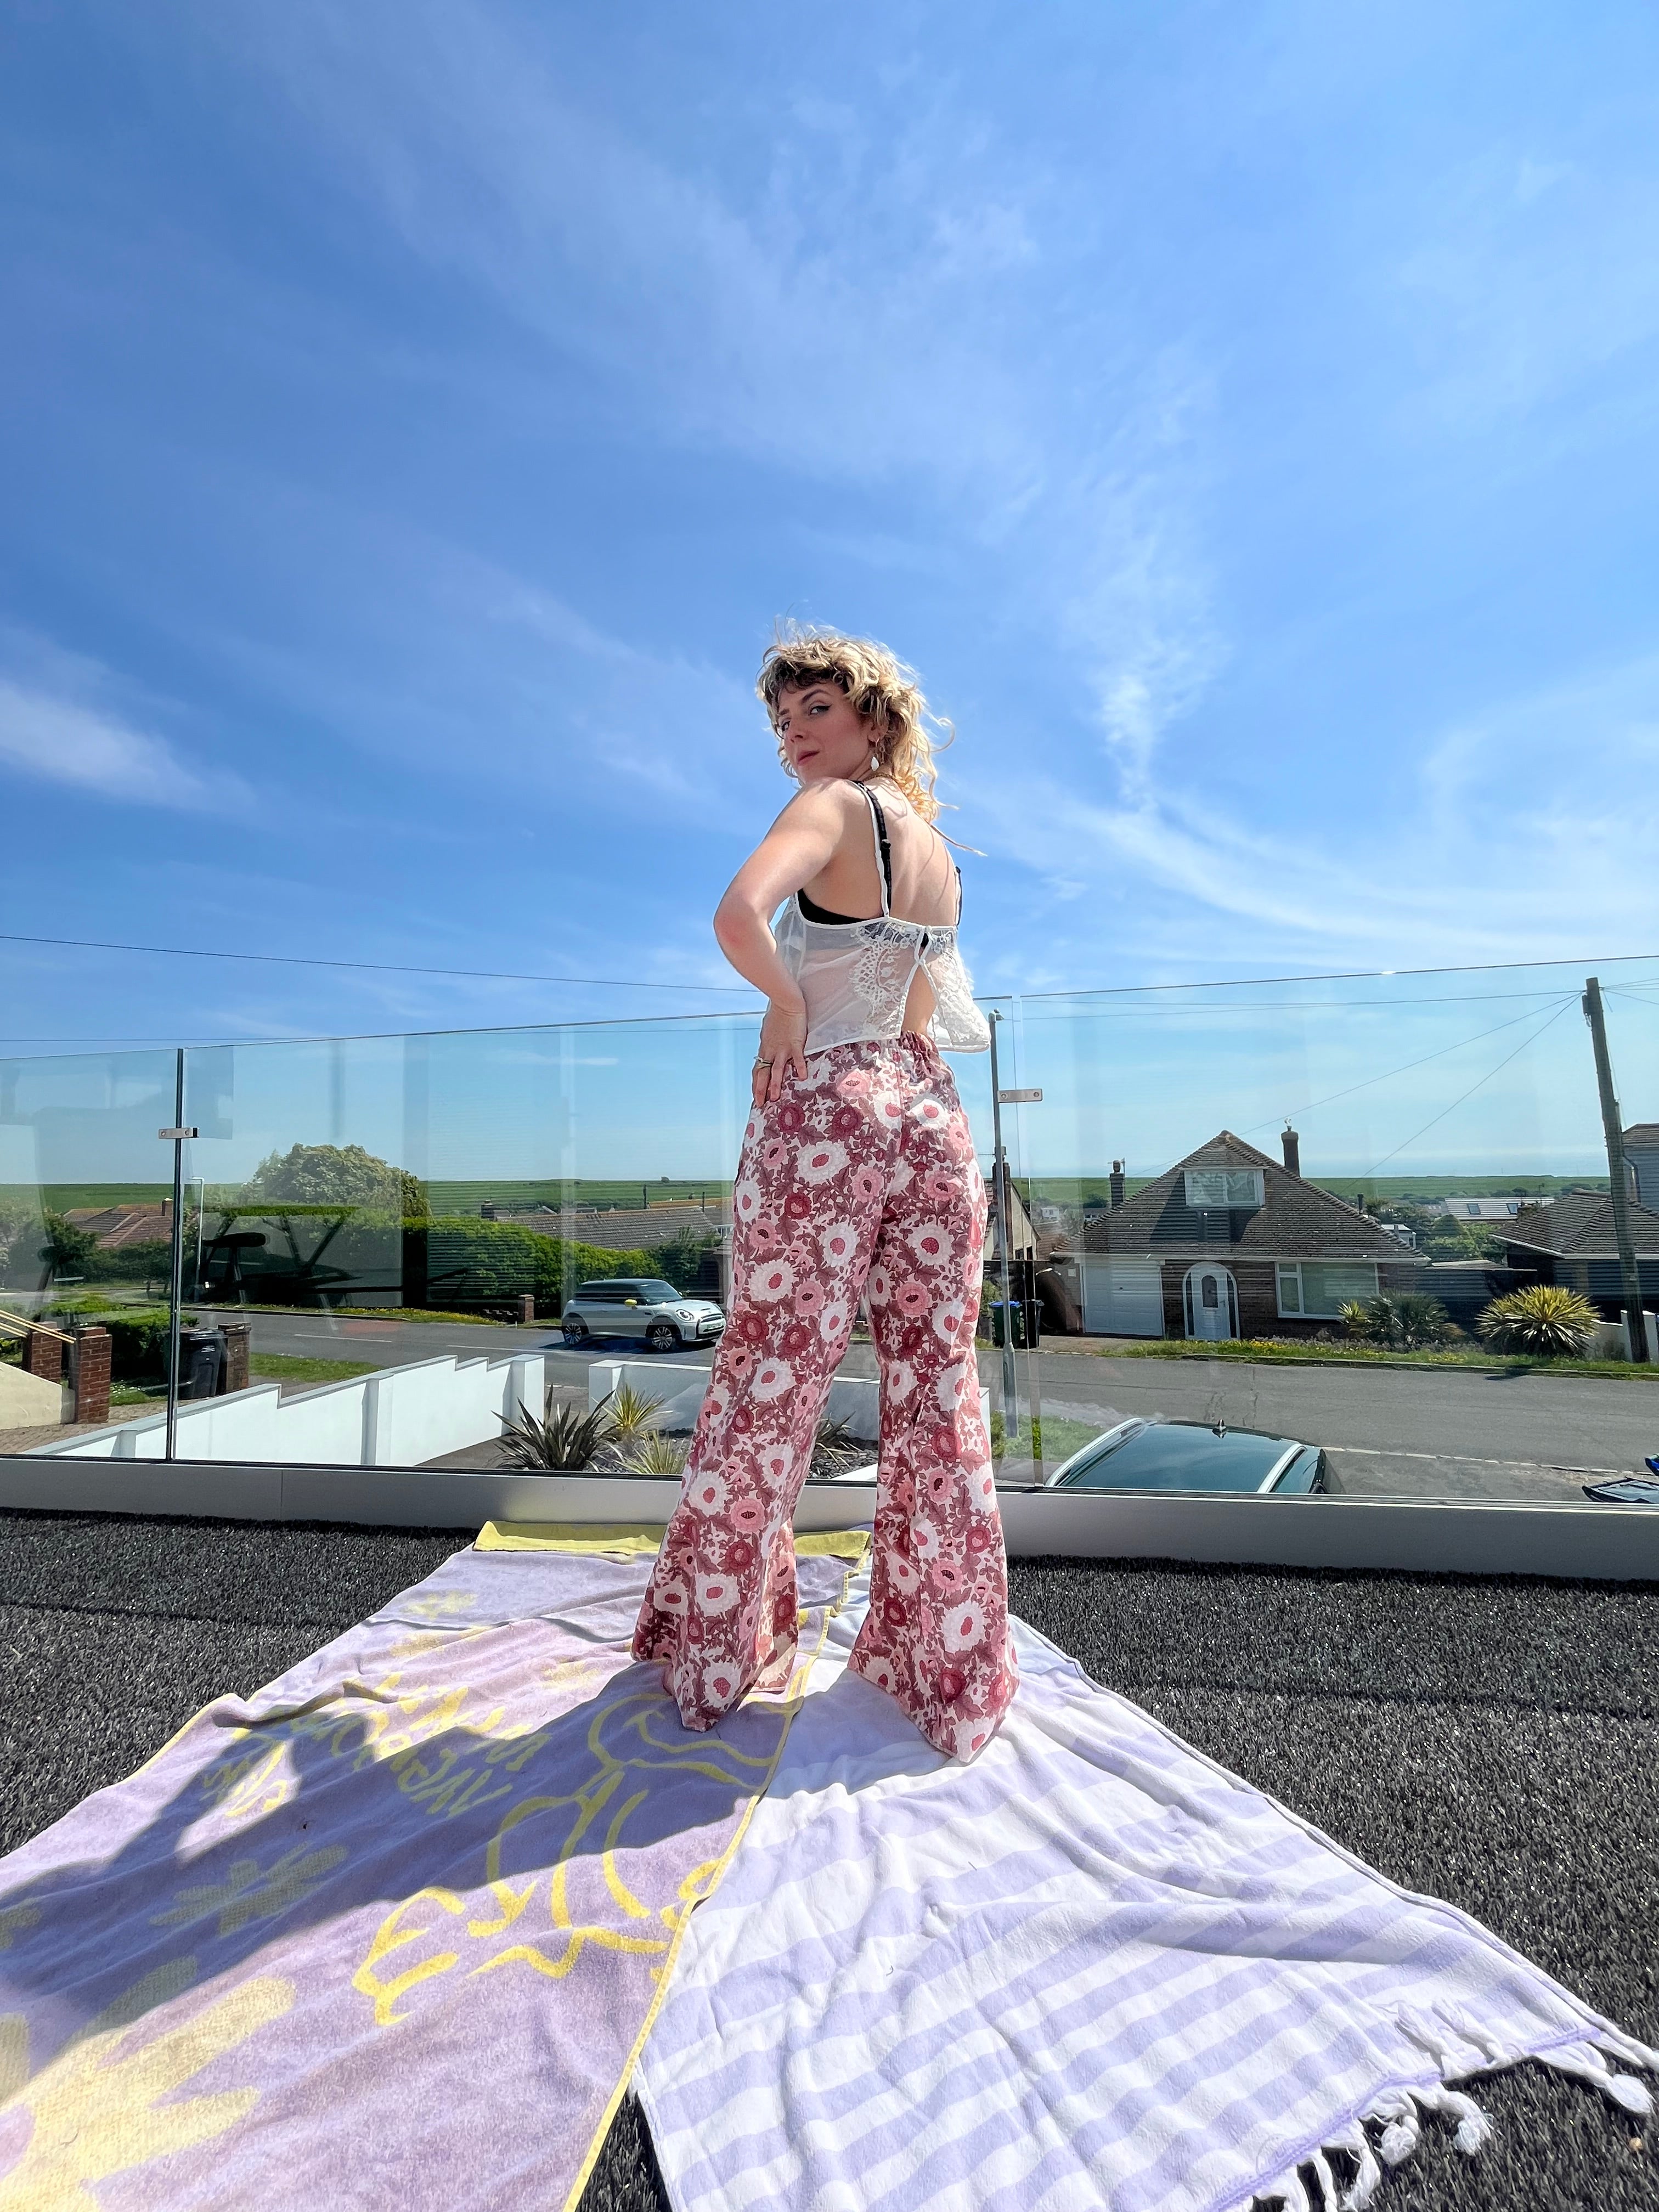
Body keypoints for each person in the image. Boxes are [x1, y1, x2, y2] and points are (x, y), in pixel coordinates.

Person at [632, 627, 1018, 1761]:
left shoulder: (835, 809)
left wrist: (789, 1006)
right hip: (932, 1117)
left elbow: (737, 915)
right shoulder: (937, 852)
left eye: (814, 711)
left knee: (770, 1374)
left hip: (831, 1116)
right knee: (937, 1388)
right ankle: (943, 1668)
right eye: (782, 720)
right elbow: (917, 1011)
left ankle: (719, 1654)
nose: (793, 737)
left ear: (873, 721)